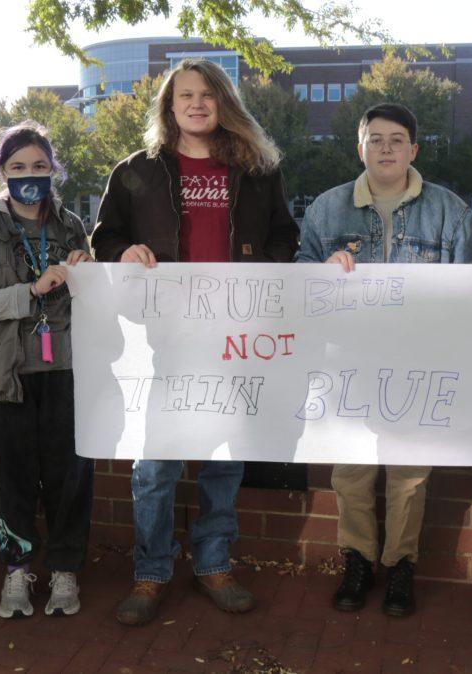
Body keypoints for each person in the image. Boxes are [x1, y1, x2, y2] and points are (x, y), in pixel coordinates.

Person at [91, 58, 300, 626]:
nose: (197, 104)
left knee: (222, 462)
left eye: (208, 94)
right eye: (185, 95)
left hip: (235, 340)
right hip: (168, 341)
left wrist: (259, 275)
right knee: (156, 466)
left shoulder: (257, 171)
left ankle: (213, 564)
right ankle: (151, 571)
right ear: (170, 106)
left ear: (224, 102)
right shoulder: (137, 170)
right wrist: (123, 252)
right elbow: (106, 236)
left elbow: (285, 235)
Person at [296, 102, 472, 617]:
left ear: (414, 150)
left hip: (418, 364)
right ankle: (357, 561)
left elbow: (466, 295)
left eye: (397, 139)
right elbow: (300, 278)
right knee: (349, 473)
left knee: (410, 474)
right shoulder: (325, 211)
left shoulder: (450, 211)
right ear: (360, 148)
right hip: (348, 363)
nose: (387, 148)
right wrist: (322, 269)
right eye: (376, 139)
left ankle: (400, 566)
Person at [0, 122, 94, 619]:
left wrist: (87, 267)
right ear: (2, 171)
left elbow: (94, 299)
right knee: (13, 479)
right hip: (3, 375)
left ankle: (64, 570)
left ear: (53, 169)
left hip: (67, 371)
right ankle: (17, 571)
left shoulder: (71, 225)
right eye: (17, 168)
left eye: (39, 166)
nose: (29, 176)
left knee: (69, 477)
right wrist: (30, 292)